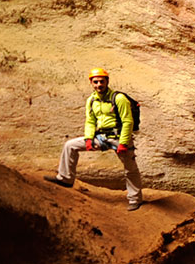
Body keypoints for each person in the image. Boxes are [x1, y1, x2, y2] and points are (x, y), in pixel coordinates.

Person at [43, 67, 143, 210]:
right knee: (70, 145)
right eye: (95, 82)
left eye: (101, 81)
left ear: (107, 81)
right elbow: (90, 121)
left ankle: (135, 199)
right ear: (91, 83)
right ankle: (65, 178)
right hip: (101, 137)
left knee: (130, 168)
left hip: (118, 137)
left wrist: (123, 143)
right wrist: (89, 139)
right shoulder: (91, 101)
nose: (99, 85)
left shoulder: (118, 98)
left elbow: (127, 121)